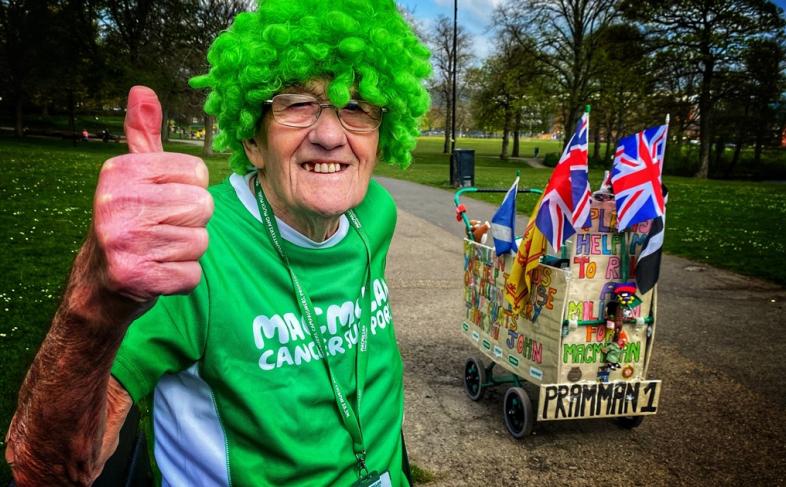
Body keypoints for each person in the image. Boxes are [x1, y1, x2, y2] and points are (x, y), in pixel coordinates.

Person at [4, 1, 431, 485]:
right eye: (297, 103)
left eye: (357, 106)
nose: (331, 135)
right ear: (253, 140)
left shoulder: (375, 212)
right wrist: (94, 303)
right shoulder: (188, 251)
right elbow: (46, 469)